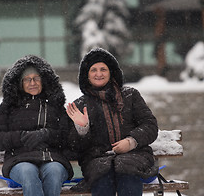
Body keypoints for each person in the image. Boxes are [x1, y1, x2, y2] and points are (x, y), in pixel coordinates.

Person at [66, 48, 158, 196]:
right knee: (102, 182)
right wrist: (82, 128)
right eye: (93, 70)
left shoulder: (131, 95)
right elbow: (74, 147)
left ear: (111, 72)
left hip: (133, 157)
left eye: (103, 69)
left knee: (128, 176)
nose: (99, 73)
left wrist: (131, 141)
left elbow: (150, 125)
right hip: (97, 162)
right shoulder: (79, 105)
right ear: (87, 75)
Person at [0, 55, 73, 196]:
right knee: (29, 173)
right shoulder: (9, 106)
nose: (32, 82)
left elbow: (67, 136)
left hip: (52, 158)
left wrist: (46, 135)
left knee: (54, 172)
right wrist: (22, 137)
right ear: (20, 83)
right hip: (19, 160)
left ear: (44, 80)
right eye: (27, 79)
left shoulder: (55, 105)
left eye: (36, 78)